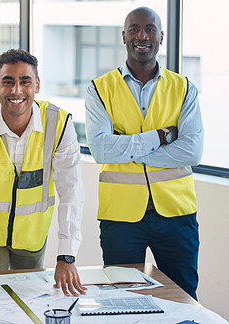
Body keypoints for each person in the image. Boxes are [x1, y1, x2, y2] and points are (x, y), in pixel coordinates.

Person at [0, 49, 86, 301]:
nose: (16, 90)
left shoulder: (60, 124)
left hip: (32, 240)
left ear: (37, 85)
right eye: (8, 81)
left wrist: (67, 255)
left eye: (25, 81)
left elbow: (72, 193)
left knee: (30, 304)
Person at [85, 7, 203, 300]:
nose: (142, 36)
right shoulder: (99, 89)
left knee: (184, 298)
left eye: (150, 29)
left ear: (161, 36)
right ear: (123, 36)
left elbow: (192, 150)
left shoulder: (184, 88)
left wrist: (126, 149)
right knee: (122, 300)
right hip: (121, 219)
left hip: (176, 215)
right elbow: (100, 149)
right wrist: (160, 137)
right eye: (135, 29)